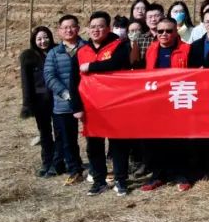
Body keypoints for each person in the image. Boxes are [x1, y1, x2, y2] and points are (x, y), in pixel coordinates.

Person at [78, 11, 131, 196]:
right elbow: (73, 80)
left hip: (115, 104)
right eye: (92, 27)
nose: (96, 30)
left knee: (118, 145)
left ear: (108, 28)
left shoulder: (120, 45)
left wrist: (91, 67)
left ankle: (121, 180)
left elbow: (116, 63)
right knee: (94, 146)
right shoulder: (82, 51)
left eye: (100, 27)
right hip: (91, 106)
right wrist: (76, 106)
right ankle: (99, 181)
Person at [139, 17, 193, 192]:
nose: (164, 34)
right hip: (156, 101)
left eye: (169, 31)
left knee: (179, 140)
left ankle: (181, 174)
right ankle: (158, 175)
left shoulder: (187, 49)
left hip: (178, 99)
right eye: (160, 31)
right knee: (156, 140)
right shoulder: (151, 49)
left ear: (176, 32)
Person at [44, 15, 85, 185]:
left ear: (78, 28)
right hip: (63, 103)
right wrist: (66, 94)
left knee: (93, 137)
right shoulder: (54, 53)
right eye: (65, 27)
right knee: (68, 140)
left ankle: (97, 168)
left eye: (72, 26)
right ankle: (75, 169)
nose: (69, 30)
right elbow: (49, 76)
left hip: (87, 101)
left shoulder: (87, 48)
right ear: (59, 31)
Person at [21, 25, 59, 177]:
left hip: (58, 98)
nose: (43, 41)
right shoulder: (29, 57)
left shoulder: (57, 51)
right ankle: (47, 161)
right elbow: (26, 82)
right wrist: (27, 104)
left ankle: (58, 162)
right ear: (34, 40)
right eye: (39, 39)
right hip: (40, 101)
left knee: (60, 132)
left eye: (46, 37)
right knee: (45, 133)